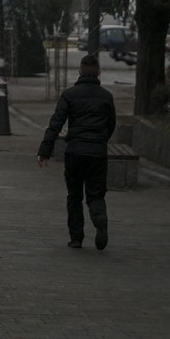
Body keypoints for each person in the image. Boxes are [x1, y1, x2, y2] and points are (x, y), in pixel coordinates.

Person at [37, 53, 118, 250]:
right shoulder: (107, 97)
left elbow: (56, 123)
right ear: (98, 72)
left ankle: (76, 238)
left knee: (74, 195)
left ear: (80, 71)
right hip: (97, 153)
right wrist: (100, 140)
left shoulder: (69, 95)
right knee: (96, 194)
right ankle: (100, 219)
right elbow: (111, 124)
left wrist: (45, 150)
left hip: (75, 152)